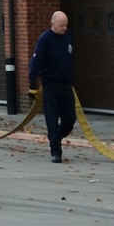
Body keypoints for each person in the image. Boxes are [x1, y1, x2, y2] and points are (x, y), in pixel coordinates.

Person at [25, 10, 74, 163]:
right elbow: (35, 64)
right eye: (61, 25)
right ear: (53, 24)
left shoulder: (68, 35)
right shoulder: (44, 40)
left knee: (69, 119)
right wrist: (33, 85)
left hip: (66, 85)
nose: (64, 28)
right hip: (51, 84)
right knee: (52, 120)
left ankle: (55, 137)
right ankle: (56, 152)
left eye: (66, 25)